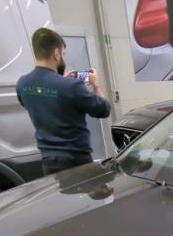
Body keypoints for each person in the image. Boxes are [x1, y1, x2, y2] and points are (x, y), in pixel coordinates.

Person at [17, 28, 111, 176]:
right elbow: (104, 109)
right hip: (76, 162)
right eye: (63, 54)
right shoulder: (71, 86)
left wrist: (62, 83)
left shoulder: (23, 84)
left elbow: (39, 104)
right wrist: (96, 85)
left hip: (48, 162)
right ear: (56, 53)